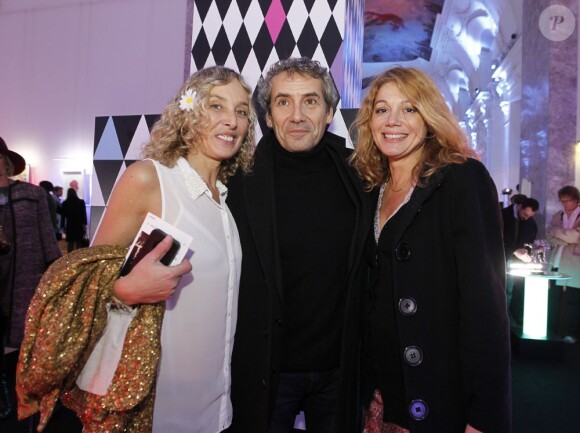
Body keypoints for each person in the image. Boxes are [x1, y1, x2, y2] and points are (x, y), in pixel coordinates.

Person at [17, 66, 256, 432]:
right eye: (215, 106)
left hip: (215, 404)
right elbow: (85, 280)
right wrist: (124, 289)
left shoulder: (225, 200)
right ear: (189, 113)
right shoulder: (150, 179)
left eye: (241, 111)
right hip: (156, 405)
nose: (231, 120)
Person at [349, 67, 511, 432]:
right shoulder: (370, 188)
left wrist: (484, 417)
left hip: (437, 391)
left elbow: (485, 307)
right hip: (379, 393)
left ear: (429, 117)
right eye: (381, 109)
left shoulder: (461, 179)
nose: (393, 121)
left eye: (409, 109)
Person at [225, 57, 372, 433]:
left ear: (329, 112)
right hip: (266, 369)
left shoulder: (359, 173)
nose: (297, 115)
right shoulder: (238, 181)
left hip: (340, 368)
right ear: (269, 116)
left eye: (310, 101)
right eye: (283, 102)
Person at [0, 137, 61, 419]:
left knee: (26, 340)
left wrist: (55, 274)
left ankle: (26, 404)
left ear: (6, 160)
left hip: (26, 276)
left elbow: (48, 238)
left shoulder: (32, 194)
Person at [547, 185, 580, 344]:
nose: (565, 204)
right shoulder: (558, 215)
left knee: (573, 301)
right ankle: (552, 331)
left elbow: (576, 236)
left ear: (575, 200)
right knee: (553, 299)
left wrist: (558, 233)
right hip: (556, 261)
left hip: (574, 263)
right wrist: (566, 237)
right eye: (562, 201)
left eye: (568, 201)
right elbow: (548, 235)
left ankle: (571, 334)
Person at [501, 196, 539, 324]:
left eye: (529, 216)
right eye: (525, 214)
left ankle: (513, 317)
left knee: (515, 290)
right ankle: (503, 319)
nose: (526, 217)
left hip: (519, 261)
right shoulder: (503, 215)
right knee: (505, 290)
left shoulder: (529, 221)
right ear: (520, 206)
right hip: (503, 257)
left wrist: (525, 251)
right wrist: (514, 250)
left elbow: (529, 238)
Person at [60, 187, 88, 252]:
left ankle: (69, 258)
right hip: (79, 224)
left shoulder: (65, 203)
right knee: (79, 241)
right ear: (75, 193)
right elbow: (83, 214)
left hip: (69, 225)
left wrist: (62, 226)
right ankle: (78, 257)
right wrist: (84, 224)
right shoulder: (81, 202)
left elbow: (63, 216)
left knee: (70, 242)